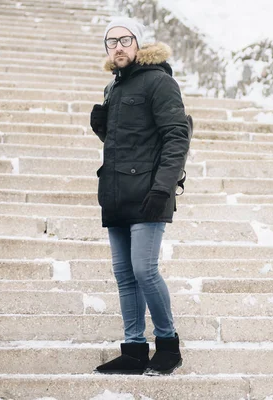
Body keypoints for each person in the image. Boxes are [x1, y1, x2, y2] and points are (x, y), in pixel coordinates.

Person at [89, 17, 190, 376]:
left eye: (125, 39)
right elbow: (131, 144)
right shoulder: (112, 88)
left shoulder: (160, 82)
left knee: (144, 270)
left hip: (150, 192)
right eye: (111, 42)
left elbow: (177, 136)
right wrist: (103, 129)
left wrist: (163, 187)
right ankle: (133, 350)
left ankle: (168, 345)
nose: (118, 47)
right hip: (116, 192)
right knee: (124, 274)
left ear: (139, 43)